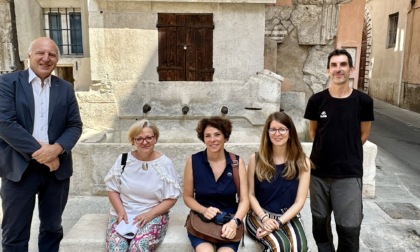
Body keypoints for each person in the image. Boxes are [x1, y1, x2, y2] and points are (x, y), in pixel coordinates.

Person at [0, 37, 83, 251]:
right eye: (40, 53)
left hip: (56, 171)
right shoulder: (8, 83)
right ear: (29, 55)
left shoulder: (65, 88)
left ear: (57, 59)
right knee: (14, 232)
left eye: (52, 55)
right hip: (19, 168)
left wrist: (56, 149)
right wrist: (42, 153)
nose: (46, 58)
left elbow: (75, 125)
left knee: (52, 229)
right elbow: (5, 123)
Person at [304, 49, 374, 252]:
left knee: (349, 230)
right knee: (320, 225)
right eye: (334, 65)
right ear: (328, 70)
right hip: (318, 175)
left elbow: (364, 135)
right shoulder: (317, 101)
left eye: (343, 64)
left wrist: (345, 152)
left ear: (351, 69)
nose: (338, 69)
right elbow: (313, 132)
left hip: (348, 175)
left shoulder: (363, 102)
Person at [104, 119, 181, 251]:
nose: (144, 142)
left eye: (149, 138)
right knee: (117, 247)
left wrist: (149, 215)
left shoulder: (164, 163)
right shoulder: (123, 160)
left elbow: (171, 198)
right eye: (139, 139)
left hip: (153, 215)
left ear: (155, 138)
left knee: (139, 246)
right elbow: (112, 189)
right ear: (133, 141)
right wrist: (120, 211)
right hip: (125, 213)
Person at [245, 112, 311, 252]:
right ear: (267, 133)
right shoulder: (255, 159)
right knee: (281, 247)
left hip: (288, 216)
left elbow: (299, 201)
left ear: (290, 132)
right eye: (273, 129)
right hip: (259, 215)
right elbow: (250, 194)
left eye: (282, 129)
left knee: (300, 248)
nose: (277, 133)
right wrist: (264, 219)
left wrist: (279, 223)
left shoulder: (302, 161)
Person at [183, 116, 249, 252]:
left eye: (217, 135)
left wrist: (234, 222)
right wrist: (203, 210)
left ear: (225, 136)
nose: (212, 140)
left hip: (228, 221)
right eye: (207, 136)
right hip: (201, 221)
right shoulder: (193, 161)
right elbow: (187, 197)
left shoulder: (237, 162)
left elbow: (244, 200)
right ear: (203, 139)